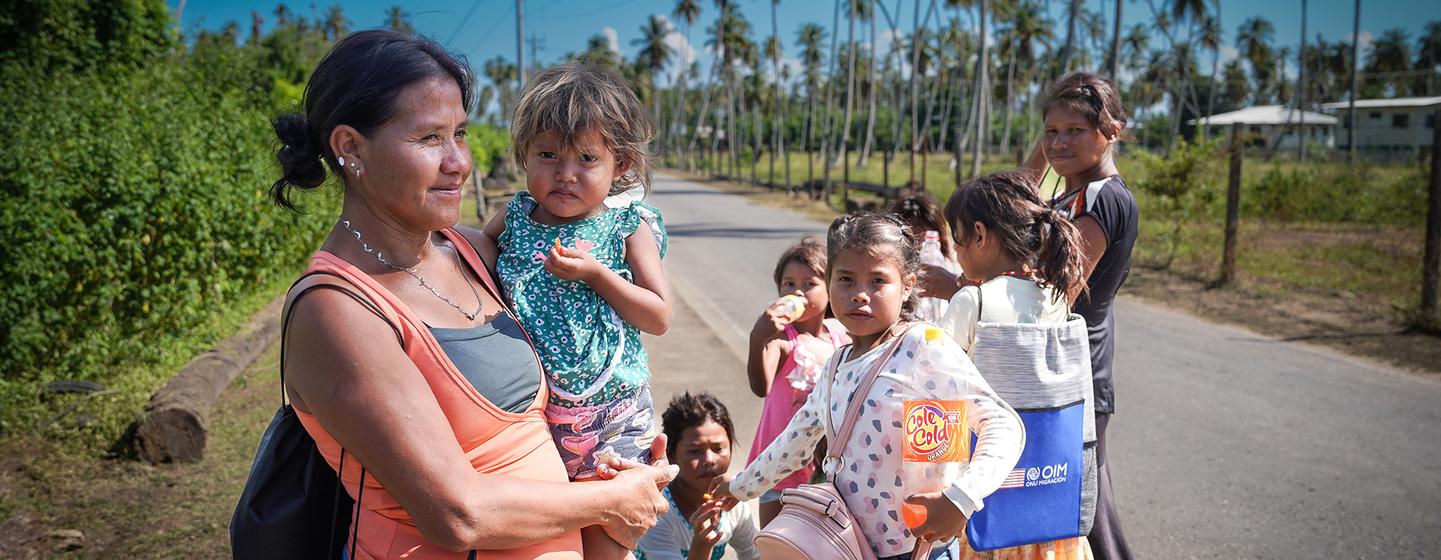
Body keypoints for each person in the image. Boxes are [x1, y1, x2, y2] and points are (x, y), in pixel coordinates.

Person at [271, 31, 674, 560]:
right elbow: (458, 514)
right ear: (350, 148)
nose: (459, 161)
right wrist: (612, 499)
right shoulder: (337, 310)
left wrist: (620, 466)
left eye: (459, 133)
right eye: (430, 138)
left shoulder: (471, 253)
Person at [711, 213, 1025, 560]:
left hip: (919, 550)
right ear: (830, 281)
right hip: (850, 546)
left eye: (877, 280)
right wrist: (739, 487)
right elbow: (795, 440)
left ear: (907, 285)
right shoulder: (835, 363)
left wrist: (961, 499)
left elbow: (1002, 424)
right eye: (846, 279)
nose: (860, 294)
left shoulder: (924, 346)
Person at [477, 63, 672, 560]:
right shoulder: (515, 217)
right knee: (552, 541)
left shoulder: (626, 227)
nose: (564, 174)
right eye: (548, 155)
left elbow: (658, 316)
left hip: (614, 414)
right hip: (531, 417)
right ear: (524, 155)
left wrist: (597, 275)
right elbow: (469, 257)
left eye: (586, 158)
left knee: (605, 544)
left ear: (620, 163)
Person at [937, 171, 1092, 559]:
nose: (956, 252)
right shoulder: (1057, 299)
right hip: (1049, 497)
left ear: (979, 234)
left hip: (986, 496)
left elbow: (937, 394)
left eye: (957, 239)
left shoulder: (974, 302)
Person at [1021, 72, 1138, 560]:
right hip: (1063, 364)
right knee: (1087, 496)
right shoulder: (1069, 194)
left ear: (1110, 130)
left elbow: (1055, 294)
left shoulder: (1102, 197)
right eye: (1052, 131)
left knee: (1082, 500)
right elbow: (1014, 195)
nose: (1060, 142)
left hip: (1078, 368)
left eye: (1076, 131)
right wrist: (1047, 148)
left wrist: (966, 289)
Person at [744, 237, 849, 526]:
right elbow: (760, 386)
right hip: (779, 463)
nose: (797, 292)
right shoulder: (782, 339)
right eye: (788, 284)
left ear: (831, 288)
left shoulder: (840, 337)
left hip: (825, 462)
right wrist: (758, 337)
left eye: (809, 283)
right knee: (777, 538)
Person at [636, 393, 761, 560]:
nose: (709, 460)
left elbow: (754, 556)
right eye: (694, 451)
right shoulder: (657, 513)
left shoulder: (733, 505)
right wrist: (701, 545)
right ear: (671, 455)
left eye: (718, 449)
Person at [889, 193, 965, 319]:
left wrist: (955, 291)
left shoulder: (954, 279)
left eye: (929, 238)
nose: (921, 246)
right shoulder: (887, 283)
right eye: (912, 239)